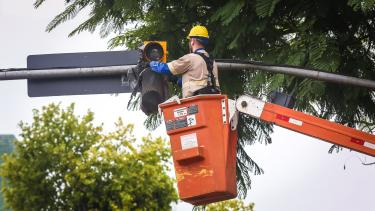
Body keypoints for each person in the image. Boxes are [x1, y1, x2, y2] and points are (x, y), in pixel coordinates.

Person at [149, 25, 220, 98]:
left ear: (192, 41)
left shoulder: (190, 58)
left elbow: (164, 68)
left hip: (196, 103)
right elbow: (199, 83)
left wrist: (151, 63)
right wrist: (176, 80)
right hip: (214, 101)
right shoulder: (212, 62)